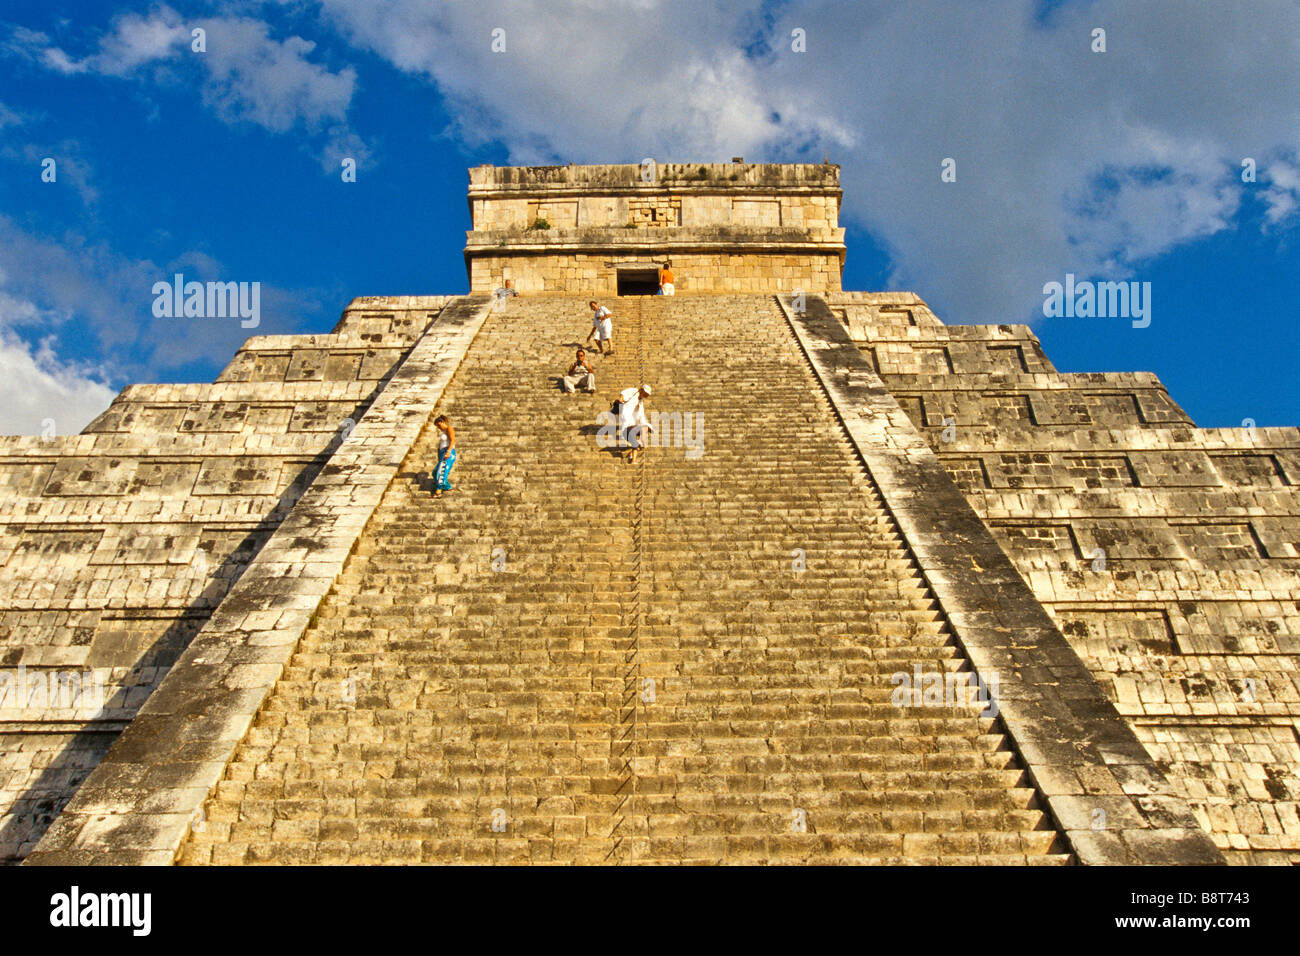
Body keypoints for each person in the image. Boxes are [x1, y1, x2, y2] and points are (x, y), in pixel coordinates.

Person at [618, 384, 653, 463]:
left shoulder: (640, 402)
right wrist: (621, 398)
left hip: (632, 417)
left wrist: (645, 424)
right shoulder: (634, 391)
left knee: (633, 427)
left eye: (646, 394)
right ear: (642, 390)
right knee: (625, 423)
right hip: (626, 411)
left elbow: (641, 415)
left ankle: (634, 448)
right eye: (645, 393)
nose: (645, 395)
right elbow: (624, 392)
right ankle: (624, 440)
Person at [433, 415, 456, 498]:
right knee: (435, 472)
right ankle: (447, 487)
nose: (439, 427)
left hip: (448, 452)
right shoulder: (443, 432)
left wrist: (448, 451)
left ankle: (438, 492)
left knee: (441, 472)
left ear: (443, 422)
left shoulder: (449, 429)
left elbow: (453, 439)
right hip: (443, 453)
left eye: (439, 425)